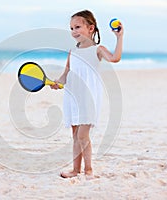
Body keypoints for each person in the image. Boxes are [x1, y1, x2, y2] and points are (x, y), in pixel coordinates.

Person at [51, 10, 124, 179]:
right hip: (72, 96)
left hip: (88, 98)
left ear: (91, 28)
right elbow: (66, 73)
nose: (74, 31)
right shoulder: (73, 51)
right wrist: (58, 82)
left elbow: (115, 59)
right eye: (71, 28)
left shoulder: (98, 49)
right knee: (75, 136)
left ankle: (88, 170)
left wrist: (119, 37)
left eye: (77, 27)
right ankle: (76, 170)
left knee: (83, 135)